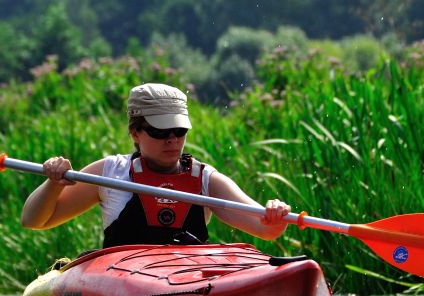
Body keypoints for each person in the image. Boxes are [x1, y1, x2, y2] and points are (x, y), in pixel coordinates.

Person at [21, 83, 291, 247]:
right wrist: (53, 184)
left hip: (187, 282)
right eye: (160, 132)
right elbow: (34, 221)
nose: (172, 140)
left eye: (179, 131)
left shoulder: (207, 180)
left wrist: (276, 214)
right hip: (122, 282)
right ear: (135, 134)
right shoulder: (110, 173)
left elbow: (266, 229)